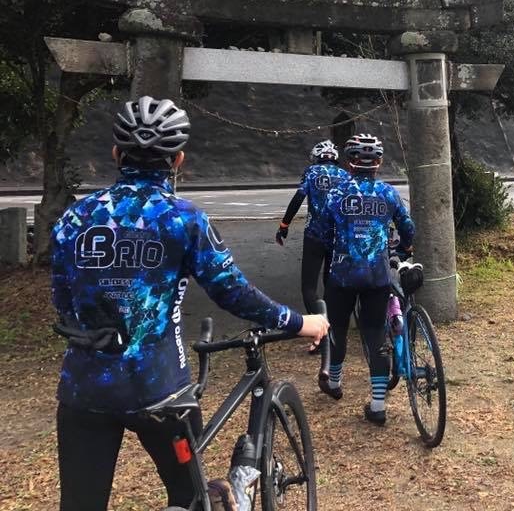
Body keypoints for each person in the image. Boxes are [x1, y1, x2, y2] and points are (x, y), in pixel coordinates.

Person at [50, 96, 329, 511]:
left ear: (115, 154)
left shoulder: (73, 218)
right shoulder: (183, 218)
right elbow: (231, 291)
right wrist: (296, 322)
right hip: (161, 392)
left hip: (83, 388)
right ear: (178, 160)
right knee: (190, 497)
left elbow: (62, 298)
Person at [317, 133, 415, 425]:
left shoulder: (336, 193)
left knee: (337, 329)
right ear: (379, 162)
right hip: (377, 275)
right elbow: (407, 227)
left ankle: (334, 383)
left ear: (349, 162)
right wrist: (405, 248)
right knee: (375, 335)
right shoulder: (388, 193)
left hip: (342, 274)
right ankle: (377, 405)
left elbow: (322, 232)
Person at [275, 140, 351, 314]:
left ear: (317, 157)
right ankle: (331, 323)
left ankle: (318, 324)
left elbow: (298, 198)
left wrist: (284, 225)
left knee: (309, 286)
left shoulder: (312, 172)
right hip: (338, 237)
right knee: (330, 282)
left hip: (314, 235)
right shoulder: (345, 175)